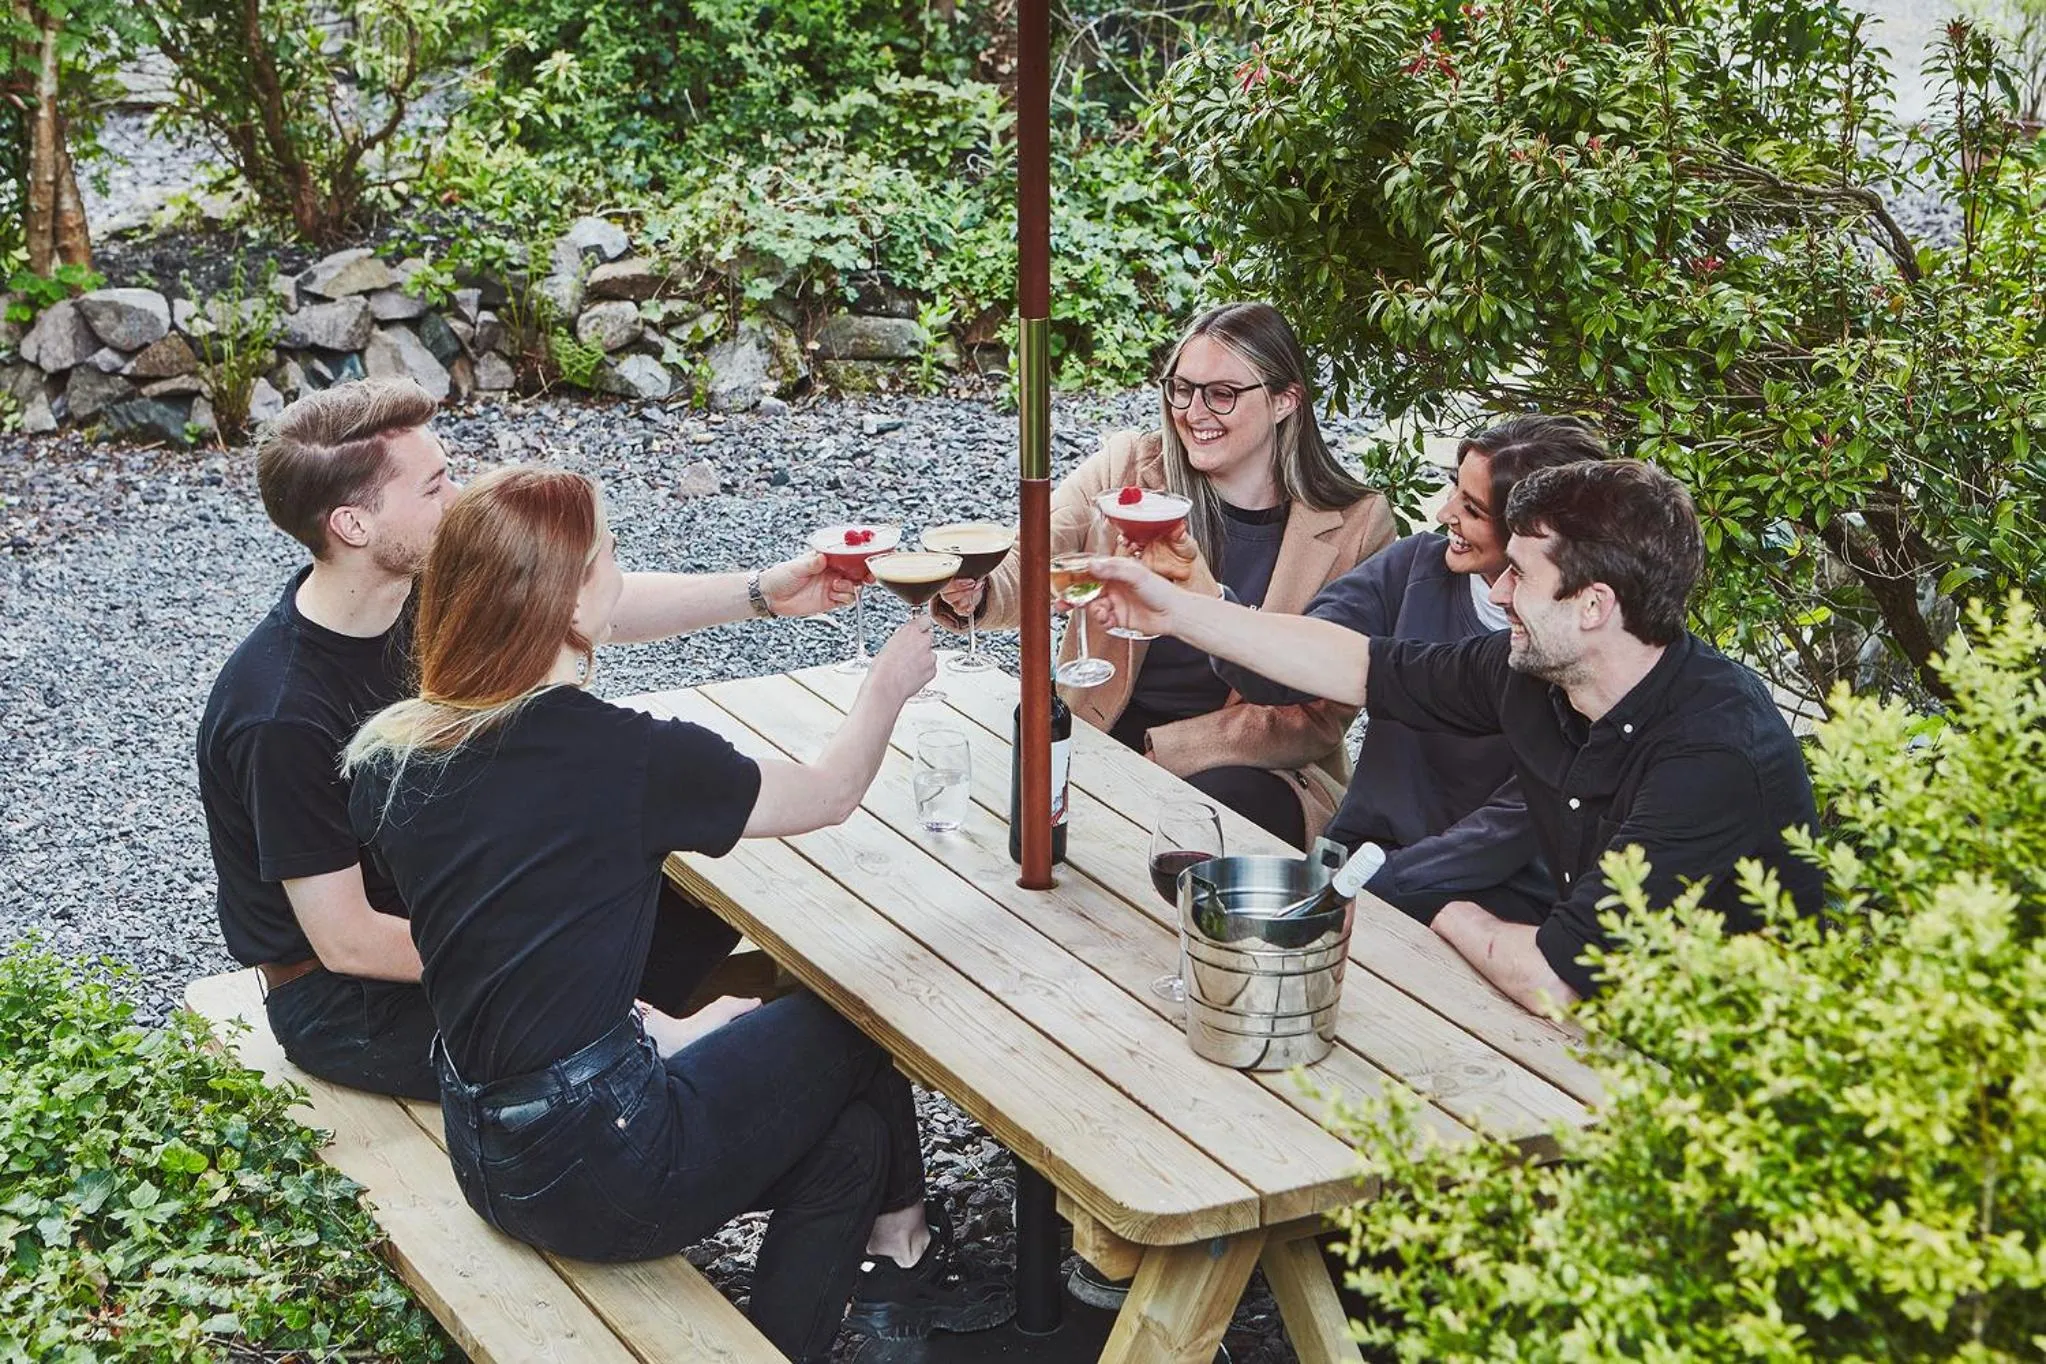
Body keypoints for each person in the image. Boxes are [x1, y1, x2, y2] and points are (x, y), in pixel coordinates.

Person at [343, 467, 1009, 1360]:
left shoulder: (400, 753)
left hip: (487, 1150)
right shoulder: (626, 759)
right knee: (854, 1019)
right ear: (570, 610)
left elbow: (520, 943)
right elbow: (827, 793)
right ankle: (905, 1252)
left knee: (849, 1141)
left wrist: (667, 1027)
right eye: (610, 559)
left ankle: (838, 1305)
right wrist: (886, 686)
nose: (621, 572)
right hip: (609, 1161)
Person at [196, 378, 853, 1102]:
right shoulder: (280, 715)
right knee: (636, 984)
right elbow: (345, 939)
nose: (459, 500)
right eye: (435, 487)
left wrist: (762, 592)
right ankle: (674, 1071)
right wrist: (548, 961)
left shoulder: (417, 590)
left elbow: (575, 606)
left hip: (472, 905)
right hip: (360, 1000)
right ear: (354, 525)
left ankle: (763, 1050)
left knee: (702, 892)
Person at [1086, 458, 1823, 1012]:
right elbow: (1359, 666)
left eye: (1521, 577)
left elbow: (1554, 977)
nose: (1497, 593)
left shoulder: (1710, 753)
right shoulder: (1542, 673)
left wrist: (1444, 908)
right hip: (1604, 1003)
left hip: (1707, 1066)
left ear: (1594, 605)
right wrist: (1174, 612)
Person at [937, 301, 1396, 847]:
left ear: (1284, 400)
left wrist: (1166, 749)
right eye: (1181, 388)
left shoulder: (1355, 525)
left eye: (1221, 394)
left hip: (1252, 764)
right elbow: (1036, 556)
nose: (1194, 412)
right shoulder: (1130, 467)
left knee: (1210, 823)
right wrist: (979, 590)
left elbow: (1317, 715)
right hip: (1105, 727)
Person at [1213, 414, 1608, 921]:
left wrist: (1359, 889)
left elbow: (1502, 835)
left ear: (1532, 534)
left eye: (1472, 508)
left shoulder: (1572, 650)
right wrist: (1202, 601)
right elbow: (1285, 669)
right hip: (1367, 861)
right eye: (1453, 489)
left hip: (1491, 903)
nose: (1445, 514)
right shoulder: (1416, 566)